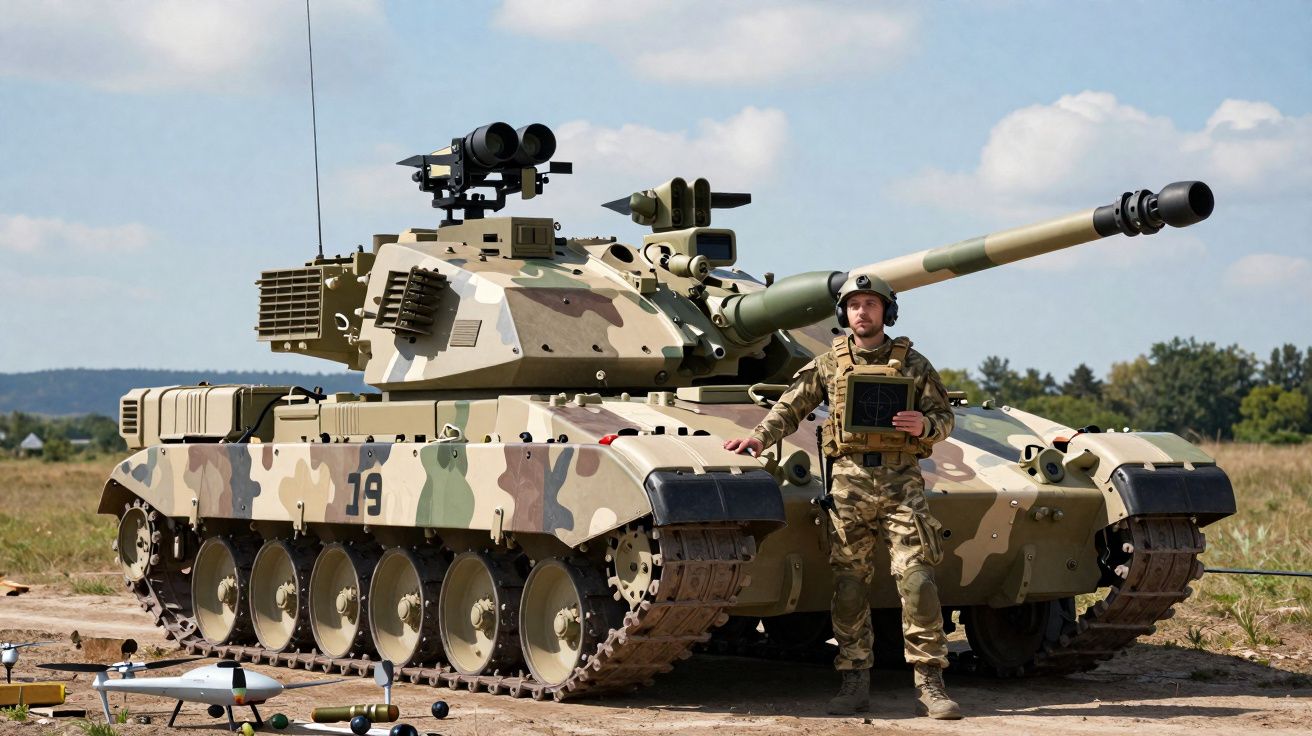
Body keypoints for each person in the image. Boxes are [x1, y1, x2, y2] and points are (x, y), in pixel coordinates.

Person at [723, 273, 961, 720]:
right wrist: (758, 439)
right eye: (854, 305)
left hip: (901, 484)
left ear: (886, 312)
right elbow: (792, 405)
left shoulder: (913, 363)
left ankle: (930, 682)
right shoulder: (830, 362)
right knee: (850, 587)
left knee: (919, 581)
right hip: (848, 485)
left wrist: (924, 427)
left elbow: (944, 416)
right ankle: (854, 678)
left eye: (871, 304)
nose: (862, 312)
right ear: (844, 313)